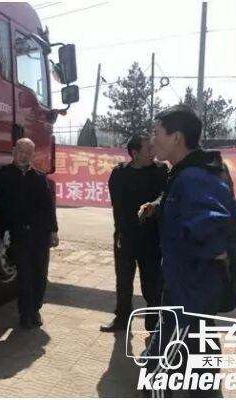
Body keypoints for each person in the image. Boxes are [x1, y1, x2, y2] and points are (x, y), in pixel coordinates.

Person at [143, 105, 236, 397]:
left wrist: (212, 254)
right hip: (190, 288)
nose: (152, 140)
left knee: (162, 368)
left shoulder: (195, 176)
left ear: (176, 138)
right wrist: (159, 206)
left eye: (156, 133)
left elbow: (216, 226)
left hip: (189, 291)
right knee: (199, 359)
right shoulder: (189, 171)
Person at [0, 138, 59, 329]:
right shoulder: (2, 174)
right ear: (14, 151)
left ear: (32, 155)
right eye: (21, 151)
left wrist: (53, 231)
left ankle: (35, 310)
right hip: (18, 235)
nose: (23, 155)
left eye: (28, 152)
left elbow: (48, 207)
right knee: (24, 274)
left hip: (40, 234)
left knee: (40, 274)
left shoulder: (39, 177)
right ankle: (25, 314)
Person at [100, 134, 167, 333]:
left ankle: (153, 324)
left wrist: (154, 205)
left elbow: (166, 195)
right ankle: (122, 319)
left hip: (151, 237)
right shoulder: (120, 174)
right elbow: (118, 208)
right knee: (123, 281)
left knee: (152, 284)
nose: (153, 153)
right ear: (135, 153)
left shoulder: (160, 171)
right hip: (126, 236)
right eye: (148, 149)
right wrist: (121, 234)